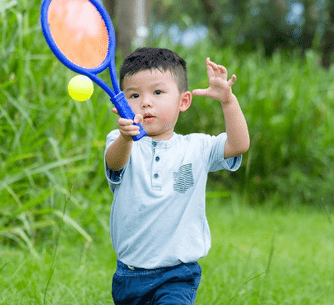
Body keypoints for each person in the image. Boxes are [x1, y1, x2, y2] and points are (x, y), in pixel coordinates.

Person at [104, 47, 250, 304]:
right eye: (134, 95)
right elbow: (114, 164)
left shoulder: (196, 147)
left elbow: (238, 145)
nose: (146, 102)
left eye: (158, 92)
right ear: (122, 105)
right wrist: (127, 137)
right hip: (129, 274)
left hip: (177, 274)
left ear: (183, 101)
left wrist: (228, 102)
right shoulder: (120, 141)